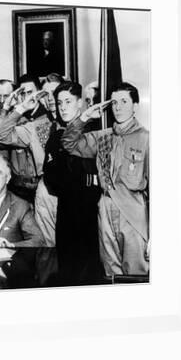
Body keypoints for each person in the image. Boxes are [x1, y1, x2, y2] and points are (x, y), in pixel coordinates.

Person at [62, 82, 149, 276]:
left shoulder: (146, 139)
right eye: (114, 102)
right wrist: (84, 117)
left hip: (133, 211)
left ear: (135, 106)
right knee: (110, 272)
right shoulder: (103, 137)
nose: (118, 107)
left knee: (136, 273)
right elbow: (69, 143)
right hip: (105, 207)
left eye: (124, 101)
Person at [43, 82, 102, 284]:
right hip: (66, 209)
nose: (63, 107)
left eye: (68, 102)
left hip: (91, 210)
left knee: (91, 270)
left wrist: (78, 179)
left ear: (80, 103)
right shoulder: (56, 136)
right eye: (60, 103)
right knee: (67, 270)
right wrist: (80, 180)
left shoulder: (94, 131)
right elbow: (51, 177)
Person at [0, 75, 53, 203]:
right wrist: (6, 109)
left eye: (30, 92)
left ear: (39, 93)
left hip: (40, 187)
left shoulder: (47, 119)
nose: (27, 98)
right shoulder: (15, 117)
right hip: (17, 188)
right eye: (23, 94)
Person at [32, 73, 63, 246]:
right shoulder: (37, 124)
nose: (50, 99)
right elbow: (1, 134)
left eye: (55, 93)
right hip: (46, 194)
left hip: (71, 193)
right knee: (47, 251)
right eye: (45, 95)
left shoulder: (80, 124)